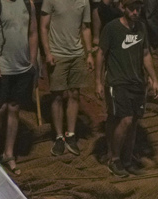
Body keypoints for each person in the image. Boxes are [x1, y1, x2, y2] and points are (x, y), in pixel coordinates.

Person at [97, 0, 158, 178]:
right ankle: (114, 158)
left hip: (137, 82)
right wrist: (98, 82)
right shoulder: (112, 28)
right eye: (132, 8)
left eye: (138, 8)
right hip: (118, 81)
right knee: (125, 119)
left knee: (133, 124)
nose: (135, 12)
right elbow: (101, 53)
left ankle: (127, 159)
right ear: (123, 8)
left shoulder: (141, 28)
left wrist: (154, 79)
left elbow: (146, 54)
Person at [0, 0, 39, 175]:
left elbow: (33, 32)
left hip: (22, 67)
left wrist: (32, 61)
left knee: (14, 108)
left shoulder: (28, 4)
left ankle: (9, 153)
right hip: (1, 66)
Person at [41, 0, 92, 157]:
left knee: (74, 94)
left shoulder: (84, 2)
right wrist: (48, 52)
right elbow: (43, 27)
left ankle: (70, 134)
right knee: (57, 95)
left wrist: (89, 53)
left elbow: (85, 28)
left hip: (77, 54)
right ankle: (58, 136)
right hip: (57, 54)